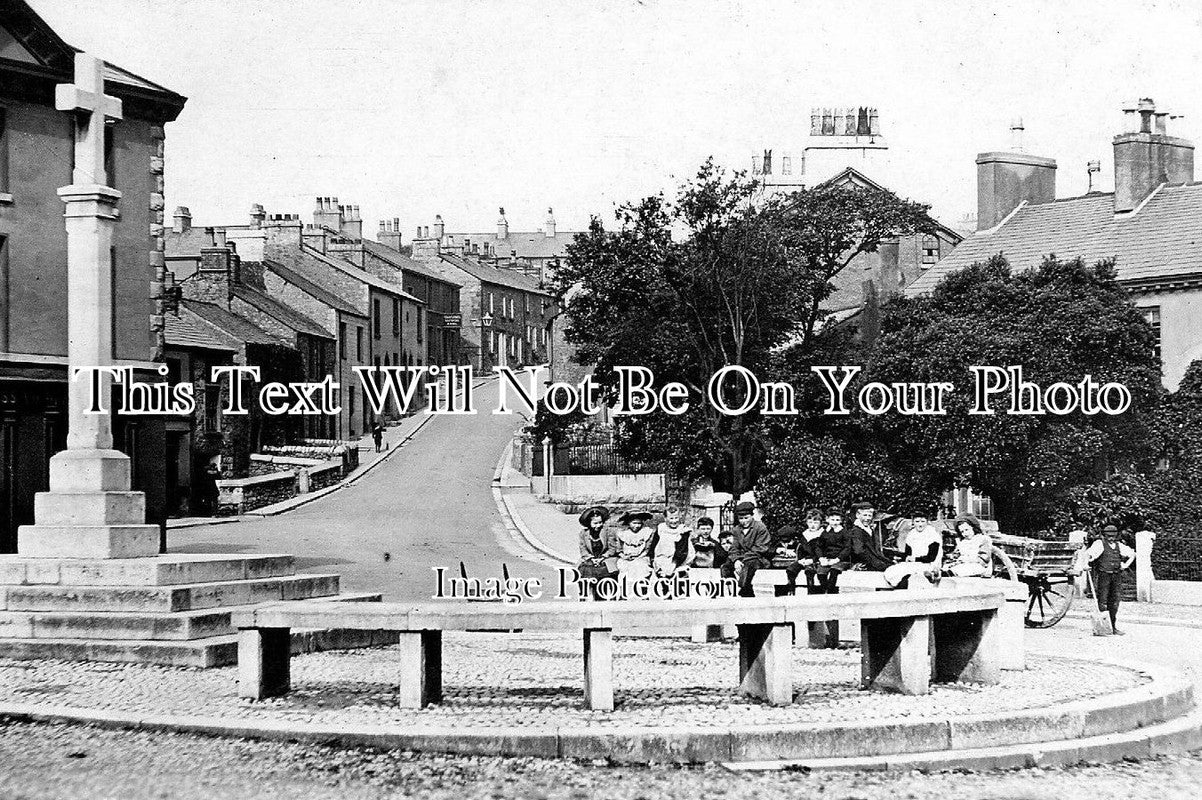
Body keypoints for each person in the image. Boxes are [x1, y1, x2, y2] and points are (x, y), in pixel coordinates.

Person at [1084, 524, 1135, 635]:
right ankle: (1103, 627)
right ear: (1104, 535)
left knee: (1115, 601)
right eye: (1108, 536)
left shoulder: (1119, 545)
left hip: (1116, 576)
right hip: (1104, 576)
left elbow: (1132, 554)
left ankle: (1113, 627)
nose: (1111, 538)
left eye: (1113, 536)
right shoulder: (1099, 544)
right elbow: (1088, 554)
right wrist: (1086, 564)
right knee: (1103, 601)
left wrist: (1125, 565)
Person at [720, 501, 773, 597]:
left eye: (746, 518)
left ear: (752, 516)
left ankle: (744, 591)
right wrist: (736, 560)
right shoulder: (736, 530)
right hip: (740, 558)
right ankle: (733, 589)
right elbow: (733, 547)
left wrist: (742, 560)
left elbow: (761, 548)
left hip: (757, 558)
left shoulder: (760, 528)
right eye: (741, 518)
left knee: (748, 565)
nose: (744, 521)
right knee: (725, 567)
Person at [884, 508, 943, 589]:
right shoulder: (912, 534)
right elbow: (908, 554)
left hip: (928, 563)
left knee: (906, 572)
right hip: (914, 562)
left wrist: (914, 559)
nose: (920, 524)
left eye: (923, 521)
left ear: (927, 522)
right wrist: (896, 555)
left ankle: (931, 575)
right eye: (917, 522)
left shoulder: (932, 535)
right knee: (893, 571)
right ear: (913, 522)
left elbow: (931, 557)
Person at [577, 505, 617, 599]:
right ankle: (584, 597)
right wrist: (590, 558)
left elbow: (612, 548)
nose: (598, 525)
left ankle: (606, 598)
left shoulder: (608, 532)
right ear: (589, 523)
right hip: (591, 559)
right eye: (595, 523)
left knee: (606, 573)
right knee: (583, 571)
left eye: (600, 522)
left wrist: (603, 557)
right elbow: (583, 549)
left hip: (606, 559)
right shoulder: (583, 533)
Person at [784, 511, 825, 594]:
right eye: (810, 522)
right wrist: (800, 559)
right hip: (804, 559)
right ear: (806, 523)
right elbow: (801, 549)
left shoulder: (823, 535)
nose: (813, 525)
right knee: (791, 569)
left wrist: (813, 560)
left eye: (816, 522)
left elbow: (823, 551)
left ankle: (810, 592)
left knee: (809, 572)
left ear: (820, 523)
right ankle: (791, 590)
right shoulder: (805, 535)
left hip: (816, 560)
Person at [650, 505, 693, 577]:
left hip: (677, 562)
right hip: (660, 560)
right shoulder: (661, 529)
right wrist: (653, 562)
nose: (674, 521)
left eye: (676, 518)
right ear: (665, 518)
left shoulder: (683, 530)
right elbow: (653, 546)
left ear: (679, 517)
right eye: (671, 518)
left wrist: (672, 567)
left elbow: (681, 552)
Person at [614, 509, 655, 587]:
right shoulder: (623, 534)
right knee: (626, 569)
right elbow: (618, 550)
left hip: (641, 558)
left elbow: (647, 549)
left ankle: (640, 591)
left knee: (640, 567)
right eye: (634, 523)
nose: (637, 526)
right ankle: (628, 593)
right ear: (629, 523)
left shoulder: (646, 532)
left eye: (639, 523)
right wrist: (624, 557)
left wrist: (639, 557)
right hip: (626, 559)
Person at [848, 501, 892, 571]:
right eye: (865, 515)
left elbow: (875, 551)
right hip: (863, 564)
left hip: (872, 562)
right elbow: (859, 551)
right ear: (857, 515)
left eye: (870, 515)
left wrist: (887, 561)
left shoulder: (869, 530)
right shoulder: (856, 531)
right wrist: (879, 564)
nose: (867, 518)